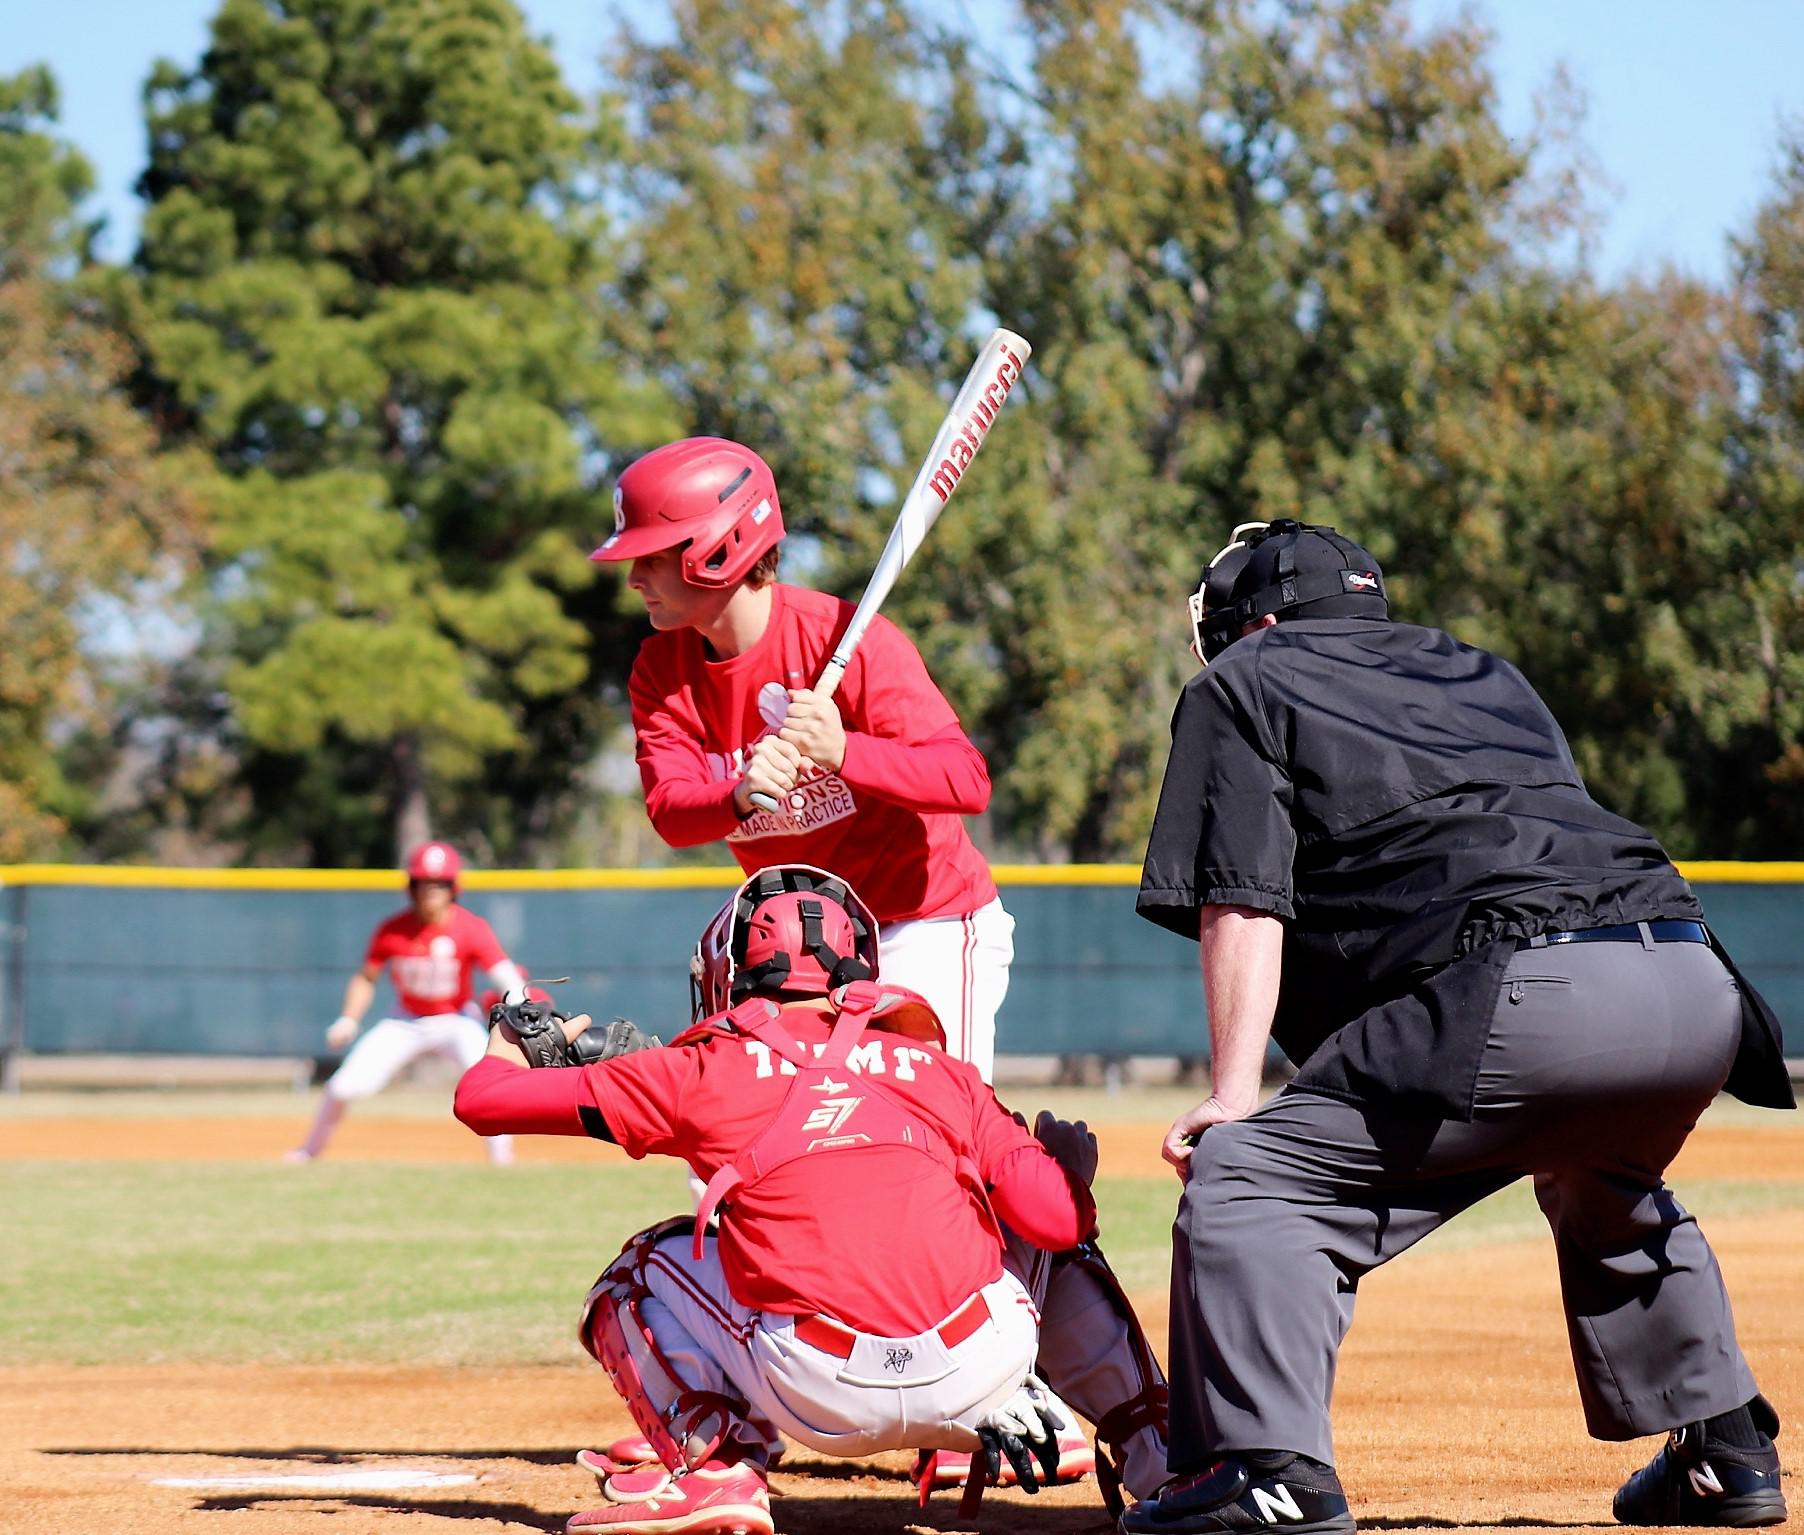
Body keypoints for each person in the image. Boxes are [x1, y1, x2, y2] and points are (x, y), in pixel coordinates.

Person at [1129, 519, 1794, 1535]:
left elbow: (1244, 898)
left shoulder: (1244, 676)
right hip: (1692, 977)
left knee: (1252, 1177)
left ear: (1252, 621)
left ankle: (1266, 1470)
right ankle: (1725, 1448)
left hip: (1532, 987)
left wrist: (1231, 1096)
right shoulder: (1481, 669)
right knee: (1598, 1168)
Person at [454, 864, 1169, 1535]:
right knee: (1055, 1237)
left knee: (639, 1269)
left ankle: (717, 1470)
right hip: (983, 1369)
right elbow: (1058, 1215)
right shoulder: (938, 1069)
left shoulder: (700, 1068)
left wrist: (511, 1033)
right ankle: (1162, 1454)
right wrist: (1069, 1171)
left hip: (819, 1391)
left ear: (730, 971)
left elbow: (481, 1100)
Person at [589, 435, 1013, 1081]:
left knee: (934, 1137)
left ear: (718, 548)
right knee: (761, 1134)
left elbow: (965, 779)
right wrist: (736, 793)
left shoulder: (846, 639)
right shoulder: (661, 668)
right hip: (797, 941)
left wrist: (843, 748)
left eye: (651, 556)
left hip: (921, 923)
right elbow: (672, 813)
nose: (634, 577)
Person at [287, 841, 526, 1166]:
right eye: (424, 882)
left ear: (452, 886)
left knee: (489, 1084)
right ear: (412, 886)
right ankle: (309, 1151)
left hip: (455, 1019)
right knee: (342, 1087)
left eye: (439, 882)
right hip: (406, 1020)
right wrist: (348, 1019)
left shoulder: (470, 927)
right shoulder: (393, 930)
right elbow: (366, 978)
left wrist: (519, 999)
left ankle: (502, 1160)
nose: (431, 890)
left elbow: (503, 972)